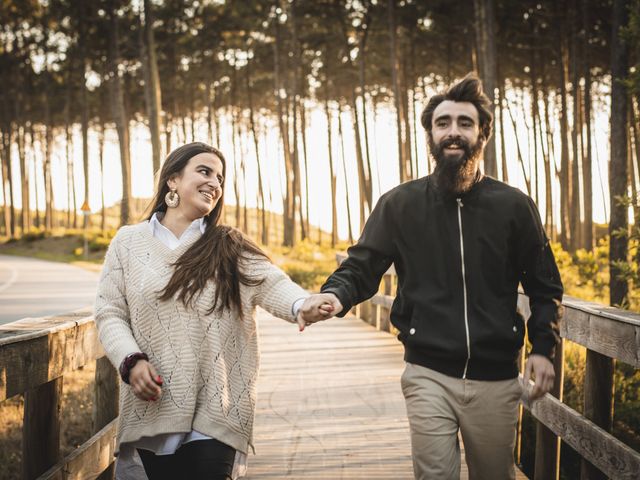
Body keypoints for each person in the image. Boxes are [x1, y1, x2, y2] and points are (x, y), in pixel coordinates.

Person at [305, 74, 564, 479]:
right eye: (443, 123)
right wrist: (336, 296)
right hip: (427, 373)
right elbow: (361, 265)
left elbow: (545, 286)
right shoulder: (399, 204)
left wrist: (543, 347)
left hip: (496, 377)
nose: (453, 132)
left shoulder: (514, 207)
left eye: (464, 122)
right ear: (430, 133)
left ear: (482, 134)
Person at [95, 142, 331, 480]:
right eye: (204, 172)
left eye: (220, 178)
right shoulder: (128, 242)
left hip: (216, 410)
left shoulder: (228, 245)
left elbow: (272, 282)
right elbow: (109, 312)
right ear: (172, 180)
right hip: (154, 408)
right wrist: (131, 360)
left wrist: (302, 303)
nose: (215, 183)